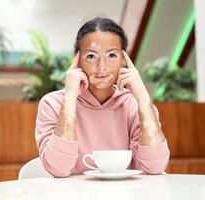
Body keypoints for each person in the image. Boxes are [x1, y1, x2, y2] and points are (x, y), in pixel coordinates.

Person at [35, 17, 170, 177]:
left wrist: (142, 96)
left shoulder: (134, 104)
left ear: (123, 59)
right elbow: (59, 169)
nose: (102, 66)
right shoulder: (53, 104)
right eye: (91, 56)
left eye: (112, 55)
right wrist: (70, 99)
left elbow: (155, 167)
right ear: (77, 60)